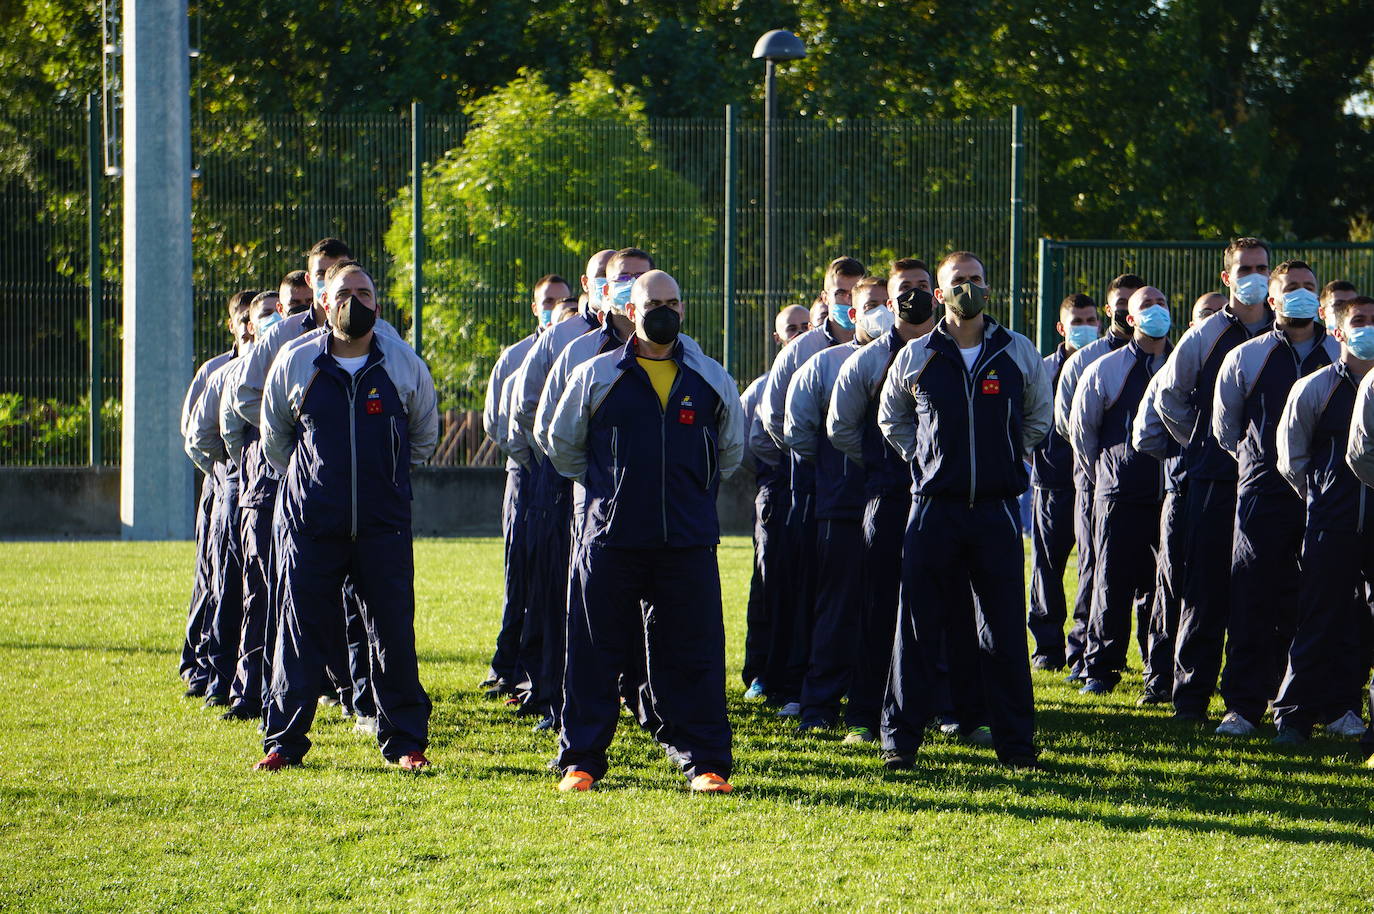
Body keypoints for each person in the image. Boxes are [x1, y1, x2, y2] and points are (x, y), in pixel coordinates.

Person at [545, 269, 745, 793]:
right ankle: (581, 761)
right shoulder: (595, 373)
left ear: (683, 309)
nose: (664, 310)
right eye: (653, 302)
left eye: (673, 302)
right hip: (608, 536)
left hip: (687, 538)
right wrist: (606, 494)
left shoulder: (710, 377)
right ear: (629, 311)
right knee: (592, 651)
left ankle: (705, 763)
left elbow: (729, 451)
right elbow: (562, 445)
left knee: (695, 654)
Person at [255, 260, 438, 772]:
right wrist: (317, 485)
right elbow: (276, 439)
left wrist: (385, 482)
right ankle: (284, 742)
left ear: (378, 304)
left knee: (393, 635)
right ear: (323, 302)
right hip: (310, 525)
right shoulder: (295, 361)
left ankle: (404, 743)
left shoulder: (402, 363)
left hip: (383, 526)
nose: (354, 301)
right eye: (343, 293)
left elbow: (423, 436)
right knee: (299, 633)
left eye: (364, 292)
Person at [877, 251, 1052, 770]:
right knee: (915, 628)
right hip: (933, 510)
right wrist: (927, 459)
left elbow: (1040, 415)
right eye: (958, 282)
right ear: (939, 294)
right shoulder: (917, 356)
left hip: (997, 511)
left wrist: (1007, 456)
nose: (968, 288)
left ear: (988, 289)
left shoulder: (1017, 351)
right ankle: (900, 744)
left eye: (976, 279)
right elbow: (893, 418)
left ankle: (1017, 748)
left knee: (1003, 631)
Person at [1211, 260, 1339, 736]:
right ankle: (1243, 706)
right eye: (1292, 288)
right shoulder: (1246, 357)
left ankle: (1321, 705)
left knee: (1319, 600)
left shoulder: (1337, 351)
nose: (1302, 295)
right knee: (1252, 597)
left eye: (1310, 287)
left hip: (1325, 498)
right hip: (1262, 492)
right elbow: (1226, 430)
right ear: (1273, 299)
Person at [510, 248, 635, 724]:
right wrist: (578, 466)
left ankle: (634, 695)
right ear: (593, 283)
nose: (622, 288)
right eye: (614, 278)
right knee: (559, 593)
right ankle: (552, 694)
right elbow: (528, 411)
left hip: (627, 493)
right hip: (566, 486)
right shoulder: (566, 341)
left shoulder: (662, 344)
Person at [1154, 237, 1274, 723]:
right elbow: (1169, 397)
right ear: (1226, 277)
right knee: (1203, 593)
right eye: (1245, 268)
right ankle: (1191, 699)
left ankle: (1251, 700)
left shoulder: (1284, 335)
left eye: (1262, 267)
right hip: (1212, 480)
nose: (1255, 276)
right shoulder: (1203, 336)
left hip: (1270, 485)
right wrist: (1207, 442)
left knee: (1261, 593)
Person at [827, 278, 938, 744]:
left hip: (939, 500)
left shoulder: (948, 352)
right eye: (904, 289)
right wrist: (887, 462)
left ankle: (941, 708)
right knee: (878, 608)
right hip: (889, 495)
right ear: (891, 302)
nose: (915, 295)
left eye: (923, 286)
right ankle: (864, 713)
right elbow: (841, 429)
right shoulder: (867, 361)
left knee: (941, 606)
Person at [757, 256, 865, 716]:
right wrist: (817, 462)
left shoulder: (887, 346)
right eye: (838, 292)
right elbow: (773, 421)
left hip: (869, 491)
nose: (846, 300)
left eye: (853, 292)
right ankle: (795, 684)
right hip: (811, 490)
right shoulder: (801, 352)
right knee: (806, 590)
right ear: (826, 297)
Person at [783, 277, 890, 732]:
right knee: (836, 609)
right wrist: (836, 469)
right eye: (869, 305)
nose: (880, 312)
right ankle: (820, 705)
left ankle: (904, 704)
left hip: (899, 505)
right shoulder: (824, 365)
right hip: (842, 505)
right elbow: (795, 429)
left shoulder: (919, 360)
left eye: (886, 304)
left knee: (901, 608)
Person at [1271, 294, 1374, 745]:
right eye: (1360, 320)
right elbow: (1291, 458)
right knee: (1319, 617)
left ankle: (1349, 708)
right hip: (1331, 523)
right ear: (1338, 331)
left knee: (1365, 623)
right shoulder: (1314, 387)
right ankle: (1293, 717)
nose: (1368, 327)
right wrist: (1323, 497)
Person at [1069, 286, 1173, 695]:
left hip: (1170, 494)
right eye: (1146, 306)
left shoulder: (1182, 365)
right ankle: (1100, 670)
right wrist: (1105, 477)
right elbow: (1082, 432)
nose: (1156, 311)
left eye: (1161, 304)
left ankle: (1159, 672)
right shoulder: (1106, 369)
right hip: (1117, 493)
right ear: (1129, 318)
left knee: (1163, 588)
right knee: (1111, 585)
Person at [478, 273, 572, 701]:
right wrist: (528, 456)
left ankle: (543, 667)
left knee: (554, 574)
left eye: (563, 300)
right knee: (520, 568)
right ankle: (508, 663)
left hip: (564, 475)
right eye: (548, 301)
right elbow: (499, 420)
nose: (556, 306)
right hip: (524, 471)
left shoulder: (580, 347)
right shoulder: (516, 356)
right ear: (535, 307)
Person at [1056, 274, 1146, 683]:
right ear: (1112, 309)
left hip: (1148, 487)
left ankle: (1149, 658)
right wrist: (1098, 470)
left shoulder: (1166, 357)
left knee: (1147, 574)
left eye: (1137, 303)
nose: (1130, 311)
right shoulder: (1087, 360)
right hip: (1097, 482)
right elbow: (1070, 426)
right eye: (1122, 302)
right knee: (1095, 568)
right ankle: (1084, 654)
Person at [185, 291, 257, 710]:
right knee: (217, 582)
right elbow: (196, 436)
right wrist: (224, 471)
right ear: (233, 323)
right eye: (245, 317)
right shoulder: (217, 371)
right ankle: (208, 671)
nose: (251, 325)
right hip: (227, 482)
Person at [214, 291, 283, 721]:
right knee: (254, 590)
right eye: (274, 312)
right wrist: (243, 469)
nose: (284, 317)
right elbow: (220, 430)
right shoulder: (236, 370)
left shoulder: (311, 355)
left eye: (294, 306)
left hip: (304, 491)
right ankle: (245, 689)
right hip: (254, 488)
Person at [739, 303, 810, 700]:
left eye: (806, 326)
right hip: (777, 491)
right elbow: (750, 445)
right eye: (791, 328)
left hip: (818, 491)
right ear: (777, 337)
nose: (799, 333)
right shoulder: (762, 387)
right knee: (769, 582)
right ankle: (761, 671)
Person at [1028, 294, 1099, 670]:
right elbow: (1025, 423)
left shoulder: (1105, 364)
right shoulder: (1042, 370)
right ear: (1061, 327)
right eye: (1077, 322)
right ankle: (1046, 648)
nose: (1085, 328)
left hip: (1093, 483)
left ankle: (1083, 645)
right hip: (1052, 482)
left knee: (1091, 566)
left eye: (1091, 320)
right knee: (1047, 567)